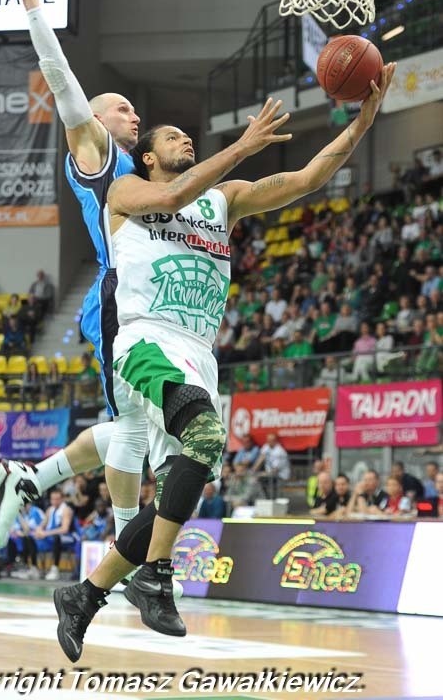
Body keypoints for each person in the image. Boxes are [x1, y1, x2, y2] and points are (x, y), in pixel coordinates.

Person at [52, 63, 395, 661]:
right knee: (204, 435)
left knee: (197, 466)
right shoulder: (128, 194)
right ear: (149, 158)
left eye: (189, 135)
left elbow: (310, 177)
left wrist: (363, 120)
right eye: (171, 137)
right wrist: (242, 145)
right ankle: (155, 575)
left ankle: (86, 594)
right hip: (144, 341)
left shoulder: (223, 201)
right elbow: (172, 195)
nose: (185, 138)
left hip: (198, 353)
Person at [0, 0, 290, 556]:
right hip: (119, 297)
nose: (132, 113)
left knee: (135, 426)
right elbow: (62, 82)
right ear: (95, 121)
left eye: (132, 109)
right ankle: (124, 546)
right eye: (120, 107)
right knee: (133, 428)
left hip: (137, 292)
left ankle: (43, 485)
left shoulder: (134, 163)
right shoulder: (95, 151)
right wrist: (31, 2)